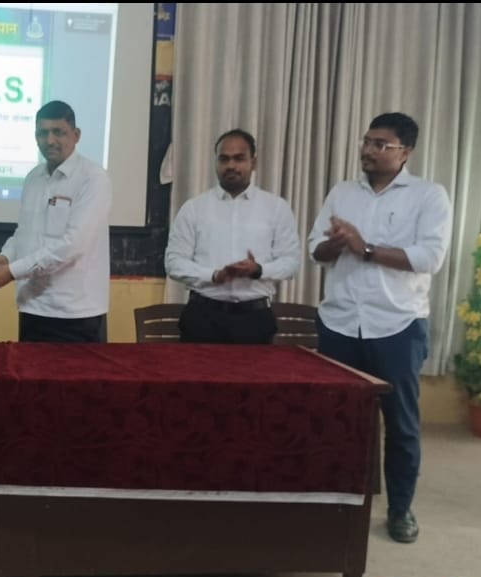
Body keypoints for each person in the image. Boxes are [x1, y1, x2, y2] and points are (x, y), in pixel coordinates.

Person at [308, 112, 453, 544]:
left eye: (380, 144)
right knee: (333, 421)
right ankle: (332, 505)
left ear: (405, 152)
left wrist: (365, 248)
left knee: (401, 424)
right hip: (340, 322)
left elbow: (429, 258)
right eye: (366, 141)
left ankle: (400, 510)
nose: (368, 150)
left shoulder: (429, 196)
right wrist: (336, 243)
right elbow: (316, 251)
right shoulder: (342, 192)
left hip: (397, 326)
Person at [0, 100, 111, 343]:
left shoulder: (93, 179)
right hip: (32, 305)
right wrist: (5, 258)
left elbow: (72, 245)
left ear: (76, 135)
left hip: (76, 312)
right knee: (28, 369)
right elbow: (25, 232)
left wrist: (12, 272)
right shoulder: (34, 177)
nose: (50, 140)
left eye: (59, 132)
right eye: (42, 133)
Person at [164, 129, 300, 344]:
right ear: (216, 162)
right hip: (202, 317)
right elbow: (173, 263)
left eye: (239, 158)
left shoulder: (276, 208)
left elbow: (291, 263)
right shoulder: (194, 208)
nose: (231, 165)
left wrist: (258, 270)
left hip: (254, 320)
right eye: (224, 159)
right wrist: (213, 275)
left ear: (253, 162)